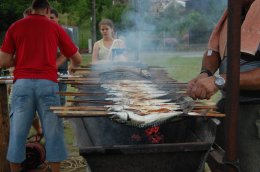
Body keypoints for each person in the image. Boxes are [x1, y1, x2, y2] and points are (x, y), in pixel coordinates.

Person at [0, 0, 82, 172]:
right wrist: (72, 66)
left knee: (17, 133)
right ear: (47, 10)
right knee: (53, 132)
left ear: (31, 10)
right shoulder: (54, 27)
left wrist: (22, 59)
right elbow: (76, 57)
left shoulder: (16, 26)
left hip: (22, 85)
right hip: (48, 84)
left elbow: (4, 61)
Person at [187, 0, 260, 171]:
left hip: (254, 114)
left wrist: (221, 80)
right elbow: (213, 50)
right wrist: (205, 74)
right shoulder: (234, 13)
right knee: (219, 162)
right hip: (227, 106)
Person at [50, 8, 72, 106]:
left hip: (62, 68)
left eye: (52, 18)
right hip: (47, 69)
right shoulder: (43, 31)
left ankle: (61, 117)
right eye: (48, 18)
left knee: (61, 95)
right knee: (49, 95)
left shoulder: (66, 31)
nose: (50, 20)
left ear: (57, 18)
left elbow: (71, 50)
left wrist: (71, 64)